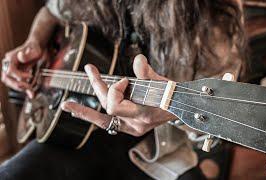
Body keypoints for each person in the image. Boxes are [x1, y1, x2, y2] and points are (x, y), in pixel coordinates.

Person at [0, 0, 246, 179]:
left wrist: (171, 111)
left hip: (154, 150)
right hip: (73, 129)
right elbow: (50, 11)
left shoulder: (212, 18)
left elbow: (223, 117)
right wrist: (34, 42)